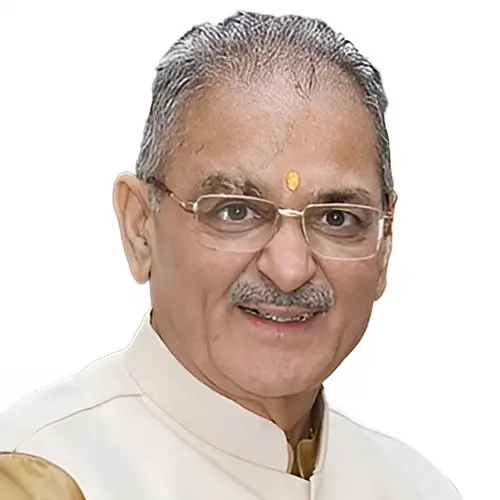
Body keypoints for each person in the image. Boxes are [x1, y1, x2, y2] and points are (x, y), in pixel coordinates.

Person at [0, 10, 462, 500]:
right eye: (235, 211)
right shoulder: (46, 477)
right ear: (140, 228)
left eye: (336, 218)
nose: (290, 270)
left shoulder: (417, 487)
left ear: (384, 244)